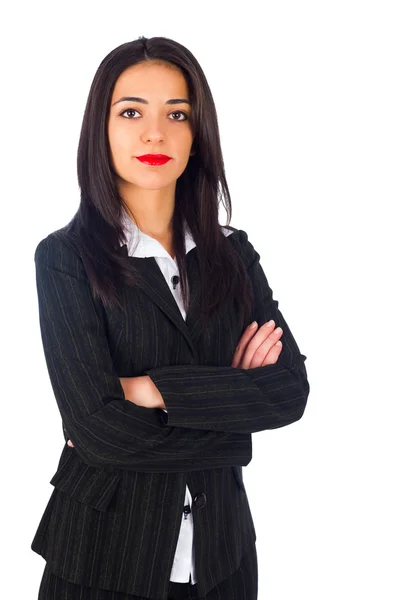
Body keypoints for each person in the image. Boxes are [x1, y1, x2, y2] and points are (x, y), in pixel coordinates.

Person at [31, 36, 310, 600]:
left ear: (196, 136)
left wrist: (151, 389)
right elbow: (96, 429)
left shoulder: (234, 254)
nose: (154, 132)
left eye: (176, 114)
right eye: (131, 112)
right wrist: (234, 424)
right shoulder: (65, 258)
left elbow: (288, 391)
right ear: (100, 130)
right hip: (103, 557)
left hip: (222, 556)